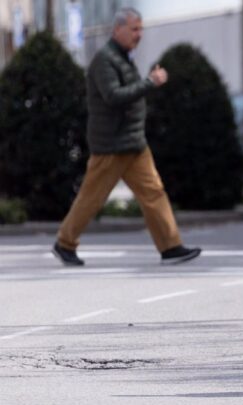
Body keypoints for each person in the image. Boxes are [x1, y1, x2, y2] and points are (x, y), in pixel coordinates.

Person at [52, 8, 201, 266]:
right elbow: (114, 96)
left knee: (154, 192)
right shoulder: (105, 60)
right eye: (134, 29)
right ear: (117, 29)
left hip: (133, 143)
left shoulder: (122, 58)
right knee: (92, 198)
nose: (139, 34)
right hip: (111, 145)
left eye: (141, 29)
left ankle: (171, 246)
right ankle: (65, 243)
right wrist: (150, 82)